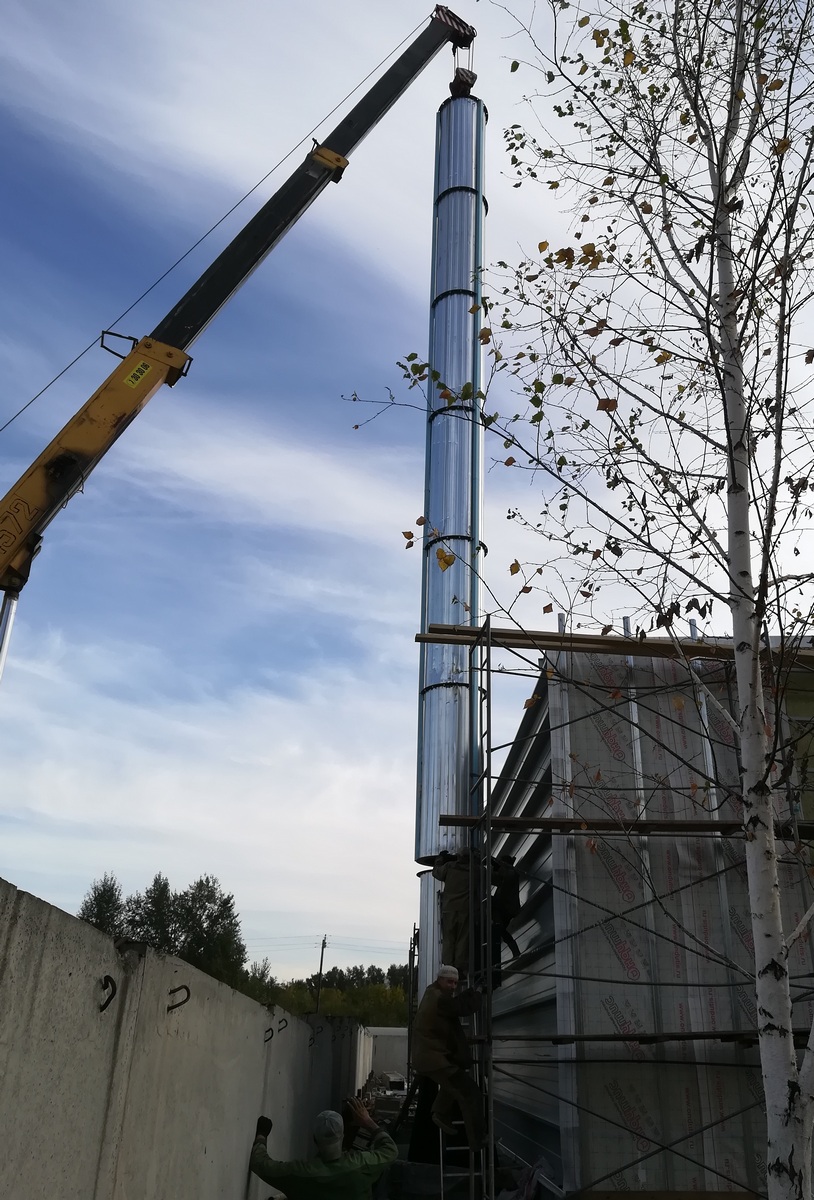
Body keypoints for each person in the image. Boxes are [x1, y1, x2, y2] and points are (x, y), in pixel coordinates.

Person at [249, 1096, 397, 1200]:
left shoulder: (300, 1173)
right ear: (343, 1135)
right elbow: (390, 1149)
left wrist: (262, 1135)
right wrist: (367, 1121)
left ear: (314, 1139)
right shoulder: (361, 1165)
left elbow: (259, 1163)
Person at [411, 963, 486, 1152]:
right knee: (470, 1092)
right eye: (449, 982)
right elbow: (462, 1007)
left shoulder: (433, 993)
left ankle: (440, 1113)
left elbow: (456, 1003)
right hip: (434, 1059)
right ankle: (478, 1140)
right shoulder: (440, 999)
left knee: (452, 1083)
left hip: (429, 1057)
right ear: (440, 980)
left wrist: (471, 991)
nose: (453, 986)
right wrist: (478, 993)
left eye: (455, 983)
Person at [432, 850, 472, 976]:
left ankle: (449, 966)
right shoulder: (473, 870)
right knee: (462, 938)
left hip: (449, 908)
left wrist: (440, 859)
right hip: (465, 909)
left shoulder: (449, 866)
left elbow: (436, 872)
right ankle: (459, 968)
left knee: (449, 938)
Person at [491, 854, 521, 959]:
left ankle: (516, 952)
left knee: (499, 929)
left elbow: (501, 879)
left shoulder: (512, 873)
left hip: (507, 908)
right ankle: (515, 952)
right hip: (504, 907)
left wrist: (495, 868)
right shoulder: (508, 872)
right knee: (500, 930)